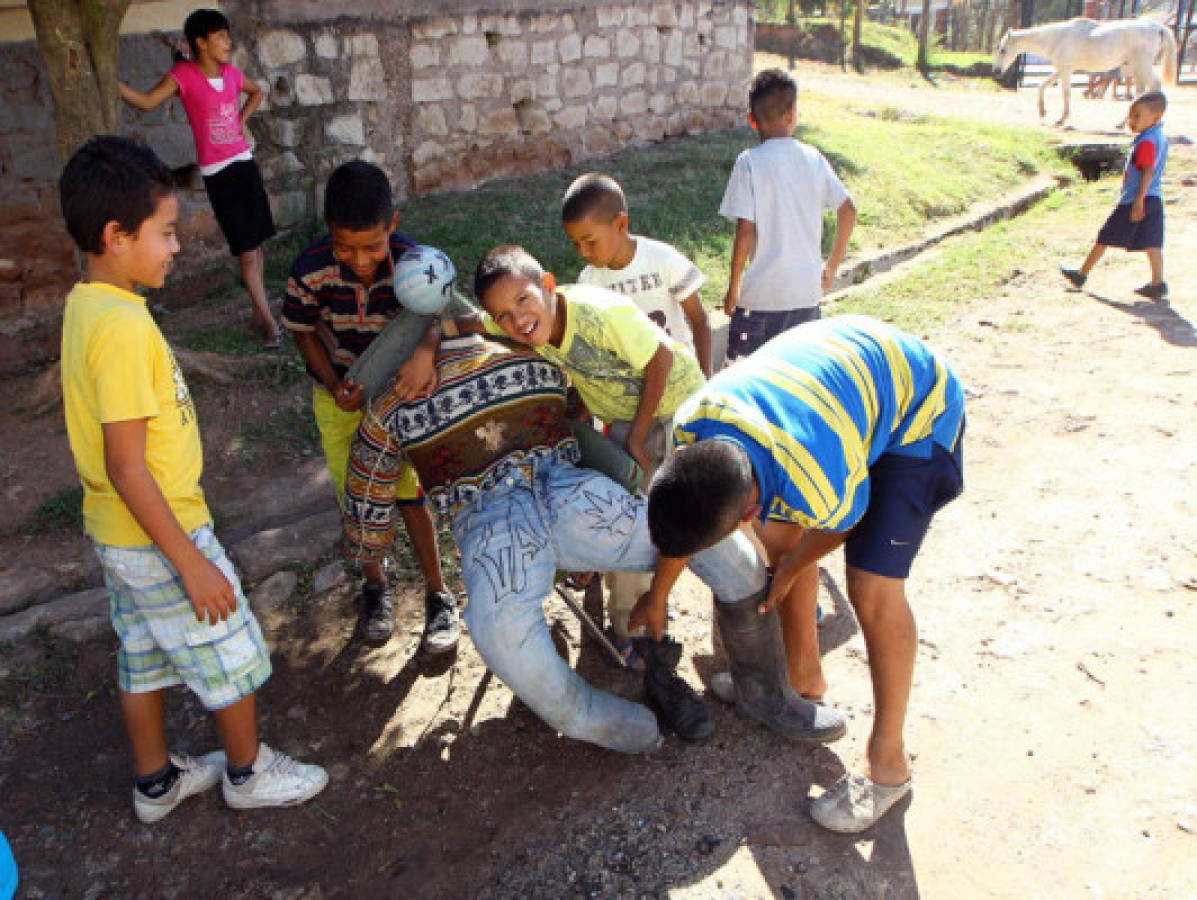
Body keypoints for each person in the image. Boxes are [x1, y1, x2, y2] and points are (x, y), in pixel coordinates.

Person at [341, 322, 836, 749]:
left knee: (718, 544)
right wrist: (370, 553)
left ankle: (763, 689)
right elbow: (366, 487)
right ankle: (594, 717)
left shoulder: (528, 352)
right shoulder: (394, 401)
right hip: (491, 518)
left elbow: (577, 420)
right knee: (499, 627)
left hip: (568, 491)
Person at [58, 136, 327, 823]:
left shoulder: (88, 303)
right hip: (161, 530)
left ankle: (156, 783)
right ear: (117, 236)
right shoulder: (119, 327)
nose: (177, 247)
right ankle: (247, 771)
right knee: (228, 645)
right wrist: (191, 562)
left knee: (143, 652)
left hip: (120, 536)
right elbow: (126, 465)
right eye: (167, 233)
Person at [633, 315, 964, 833]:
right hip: (827, 391)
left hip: (917, 407)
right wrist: (658, 594)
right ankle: (803, 682)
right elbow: (688, 513)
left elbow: (838, 524)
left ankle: (888, 767)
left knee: (871, 588)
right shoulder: (694, 424)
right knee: (783, 544)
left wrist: (789, 568)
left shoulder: (819, 480)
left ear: (748, 511)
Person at [463, 244, 707, 671]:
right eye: (503, 315)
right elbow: (467, 321)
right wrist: (429, 347)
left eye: (523, 300)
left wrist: (637, 435)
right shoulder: (524, 322)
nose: (516, 319)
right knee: (620, 509)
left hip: (673, 405)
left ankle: (635, 625)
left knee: (652, 515)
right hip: (622, 415)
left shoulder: (599, 312)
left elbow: (661, 358)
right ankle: (619, 604)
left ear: (549, 286)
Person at [281, 160, 458, 652]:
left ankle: (438, 595)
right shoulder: (309, 268)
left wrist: (424, 351)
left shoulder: (415, 264)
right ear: (328, 233)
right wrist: (333, 381)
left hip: (397, 400)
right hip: (336, 399)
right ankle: (375, 587)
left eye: (372, 246)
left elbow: (441, 316)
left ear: (393, 225)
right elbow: (302, 333)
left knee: (408, 492)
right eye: (346, 247)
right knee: (357, 498)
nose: (360, 260)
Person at [119, 8, 281, 348]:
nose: (228, 42)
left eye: (227, 35)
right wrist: (113, 84)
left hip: (244, 164)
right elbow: (147, 102)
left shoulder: (233, 74)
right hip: (219, 173)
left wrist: (241, 119)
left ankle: (258, 309)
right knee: (246, 250)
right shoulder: (184, 76)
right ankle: (269, 322)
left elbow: (256, 92)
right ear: (201, 42)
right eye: (221, 36)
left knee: (256, 243)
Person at [719, 68, 856, 362]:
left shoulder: (749, 163)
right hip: (805, 297)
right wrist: (831, 266)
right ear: (792, 113)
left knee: (746, 386)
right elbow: (848, 210)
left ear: (751, 120)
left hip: (760, 300)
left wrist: (733, 287)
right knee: (798, 383)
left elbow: (745, 231)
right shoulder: (813, 159)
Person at [561, 172, 713, 378]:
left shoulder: (663, 259)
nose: (583, 252)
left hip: (682, 379)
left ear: (620, 224)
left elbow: (699, 319)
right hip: (632, 391)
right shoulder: (588, 283)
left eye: (590, 241)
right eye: (575, 243)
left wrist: (706, 378)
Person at [1061, 91, 1169, 301]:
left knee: (1105, 237)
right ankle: (1158, 282)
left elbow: (1147, 170)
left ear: (1155, 117)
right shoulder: (1159, 138)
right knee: (1152, 242)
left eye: (1138, 116)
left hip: (1136, 198)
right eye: (1131, 115)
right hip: (1154, 198)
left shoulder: (1146, 141)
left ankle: (1081, 274)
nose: (1132, 120)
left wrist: (1138, 200)